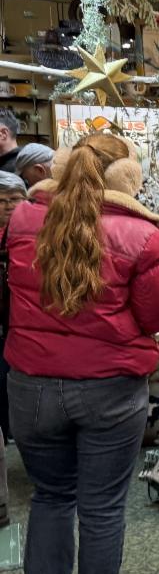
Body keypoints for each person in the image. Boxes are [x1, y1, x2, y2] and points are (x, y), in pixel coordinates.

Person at [7, 134, 159, 574]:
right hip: (109, 387)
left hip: (32, 384)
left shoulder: (24, 219)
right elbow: (158, 315)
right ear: (126, 176)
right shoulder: (141, 236)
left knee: (50, 497)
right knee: (101, 509)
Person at [0, 171, 25, 528]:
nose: (7, 206)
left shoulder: (31, 236)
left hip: (21, 328)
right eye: (2, 201)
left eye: (14, 199)